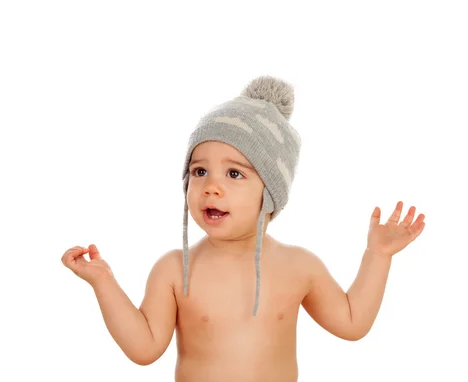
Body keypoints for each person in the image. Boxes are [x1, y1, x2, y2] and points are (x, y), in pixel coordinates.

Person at [62, 75, 426, 382]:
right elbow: (144, 349)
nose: (210, 186)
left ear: (270, 192)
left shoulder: (299, 266)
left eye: (234, 173)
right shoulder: (175, 269)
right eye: (199, 171)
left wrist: (377, 255)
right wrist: (103, 281)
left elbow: (352, 323)